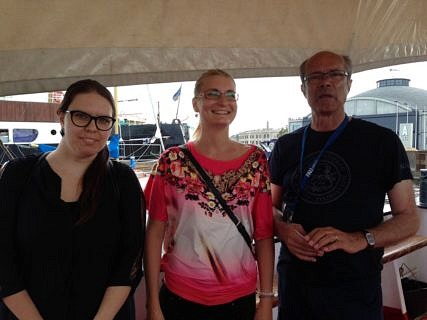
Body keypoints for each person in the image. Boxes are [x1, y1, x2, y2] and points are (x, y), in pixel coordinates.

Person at [270, 51, 420, 320]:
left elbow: (409, 218)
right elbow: (268, 207)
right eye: (315, 76)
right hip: (295, 287)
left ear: (348, 84)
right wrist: (283, 228)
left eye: (335, 75)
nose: (325, 82)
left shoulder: (382, 142)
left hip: (355, 289)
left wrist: (360, 239)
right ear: (303, 88)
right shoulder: (286, 146)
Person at [0, 79, 145, 319]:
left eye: (103, 120)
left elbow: (129, 263)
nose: (92, 128)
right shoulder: (16, 176)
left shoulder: (123, 181)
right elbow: (3, 263)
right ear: (61, 117)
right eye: (81, 116)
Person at [144, 69, 274, 320]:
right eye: (213, 94)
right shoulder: (171, 162)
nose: (223, 102)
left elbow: (264, 233)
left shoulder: (256, 160)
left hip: (239, 298)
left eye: (230, 95)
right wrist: (152, 303)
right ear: (196, 103)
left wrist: (266, 300)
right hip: (179, 295)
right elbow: (154, 233)